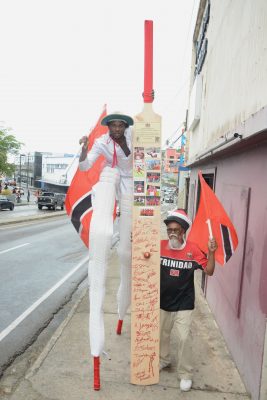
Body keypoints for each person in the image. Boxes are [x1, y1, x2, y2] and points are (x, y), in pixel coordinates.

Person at [79, 111, 134, 389]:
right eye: (113, 125)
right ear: (108, 126)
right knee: (101, 235)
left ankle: (122, 314)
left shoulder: (132, 138)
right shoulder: (102, 141)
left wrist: (126, 143)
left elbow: (137, 155)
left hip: (130, 184)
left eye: (120, 125)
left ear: (125, 126)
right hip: (109, 181)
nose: (116, 128)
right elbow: (86, 166)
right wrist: (82, 150)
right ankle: (96, 352)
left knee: (126, 254)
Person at [160, 209, 218, 392]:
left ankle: (185, 374)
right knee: (162, 334)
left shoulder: (192, 250)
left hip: (184, 303)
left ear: (183, 231)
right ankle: (163, 360)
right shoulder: (160, 246)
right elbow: (141, 256)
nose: (172, 233)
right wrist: (135, 242)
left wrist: (211, 252)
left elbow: (209, 271)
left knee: (184, 337)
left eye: (176, 230)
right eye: (169, 229)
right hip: (162, 301)